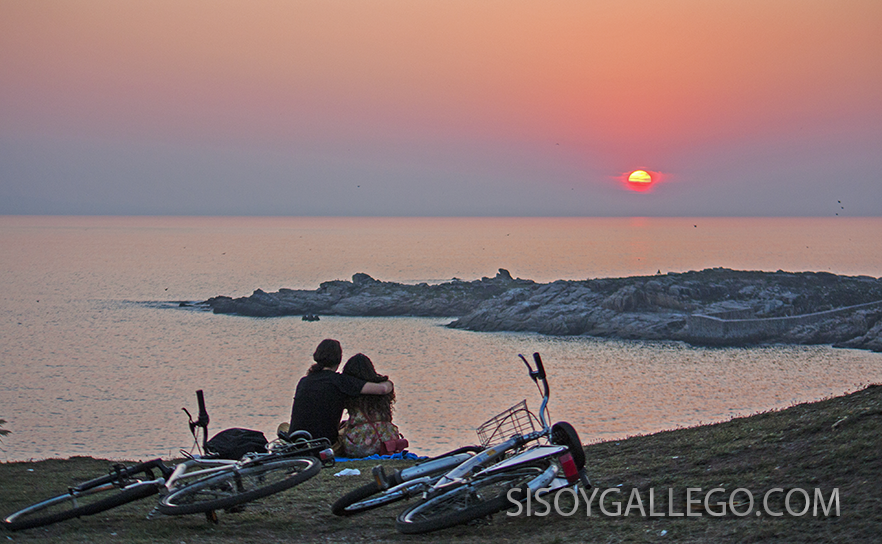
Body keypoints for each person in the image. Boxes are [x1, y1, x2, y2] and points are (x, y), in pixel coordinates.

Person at [288, 339, 393, 449]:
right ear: (339, 359)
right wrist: (389, 382)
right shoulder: (341, 381)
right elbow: (383, 389)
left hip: (296, 440)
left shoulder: (304, 381)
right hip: (323, 442)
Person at [338, 353, 403, 458]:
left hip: (360, 442)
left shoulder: (350, 392)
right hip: (388, 440)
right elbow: (387, 387)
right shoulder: (382, 388)